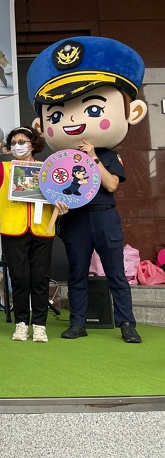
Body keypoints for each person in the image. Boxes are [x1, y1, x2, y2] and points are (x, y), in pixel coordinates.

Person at [27, 36, 149, 343]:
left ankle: (127, 324)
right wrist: (58, 207)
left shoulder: (108, 155)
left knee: (115, 273)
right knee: (77, 273)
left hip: (104, 217)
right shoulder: (59, 160)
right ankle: (77, 322)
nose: (72, 120)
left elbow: (111, 185)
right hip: (76, 218)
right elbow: (54, 192)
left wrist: (93, 158)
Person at [0, 128, 65, 342]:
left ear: (33, 144)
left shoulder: (47, 169)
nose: (18, 145)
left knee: (40, 279)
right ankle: (21, 323)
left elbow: (59, 195)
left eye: (22, 141)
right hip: (13, 228)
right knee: (19, 278)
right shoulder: (5, 168)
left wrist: (62, 207)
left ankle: (39, 325)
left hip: (42, 229)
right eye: (14, 142)